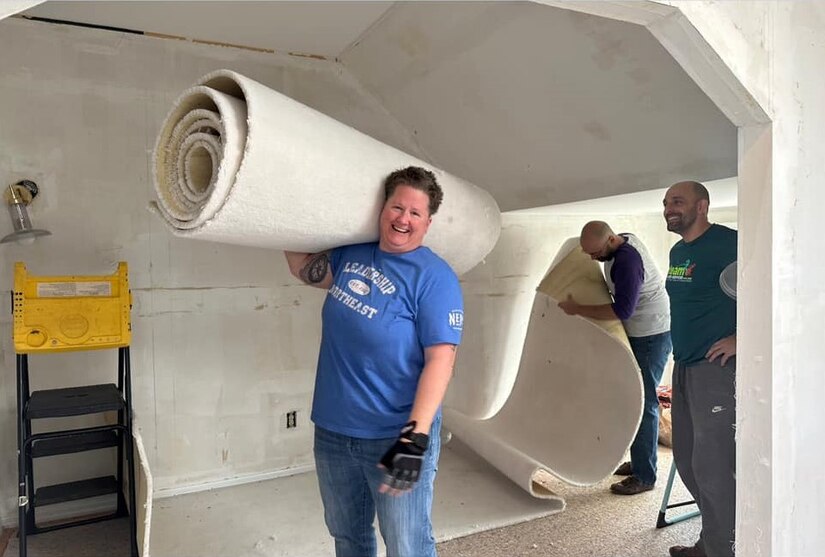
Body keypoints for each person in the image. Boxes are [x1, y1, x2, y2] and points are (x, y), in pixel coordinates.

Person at [284, 166, 463, 557]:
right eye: (397, 207)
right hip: (333, 432)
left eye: (415, 213)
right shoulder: (352, 254)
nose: (403, 219)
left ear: (427, 223)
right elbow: (303, 267)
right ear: (382, 209)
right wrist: (283, 208)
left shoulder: (435, 278)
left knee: (407, 544)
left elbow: (440, 361)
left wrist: (414, 439)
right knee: (347, 537)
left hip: (394, 434)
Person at [558, 221, 672, 495]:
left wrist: (577, 309)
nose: (592, 258)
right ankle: (641, 461)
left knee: (644, 402)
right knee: (632, 397)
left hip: (651, 334)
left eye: (595, 253)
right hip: (643, 330)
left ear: (610, 240)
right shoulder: (618, 245)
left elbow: (622, 310)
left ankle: (645, 476)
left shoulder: (627, 262)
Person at [663, 181, 737, 557]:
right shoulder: (679, 250)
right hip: (685, 364)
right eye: (665, 203)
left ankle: (726, 550)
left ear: (702, 206)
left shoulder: (729, 244)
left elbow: (780, 285)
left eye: (677, 201)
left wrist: (743, 337)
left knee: (714, 467)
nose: (668, 208)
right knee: (686, 457)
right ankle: (711, 542)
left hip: (717, 369)